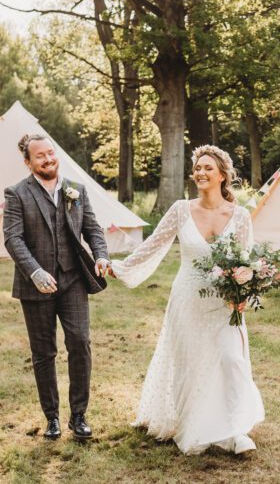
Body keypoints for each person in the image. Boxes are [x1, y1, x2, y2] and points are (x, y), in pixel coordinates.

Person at [106, 144, 264, 455]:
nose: (201, 173)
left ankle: (236, 431)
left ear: (222, 175)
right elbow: (152, 245)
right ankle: (194, 425)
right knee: (191, 364)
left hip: (225, 302)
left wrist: (246, 292)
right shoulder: (180, 210)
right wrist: (120, 266)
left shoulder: (241, 216)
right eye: (198, 168)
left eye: (208, 168)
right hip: (187, 298)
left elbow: (249, 260)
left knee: (231, 360)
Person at [3, 133, 112, 441]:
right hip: (35, 285)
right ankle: (52, 417)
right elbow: (13, 238)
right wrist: (34, 272)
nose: (48, 159)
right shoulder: (16, 194)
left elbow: (92, 229)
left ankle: (79, 415)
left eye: (51, 153)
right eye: (41, 156)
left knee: (80, 342)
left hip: (73, 278)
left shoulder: (76, 190)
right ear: (28, 162)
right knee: (43, 352)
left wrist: (101, 255)